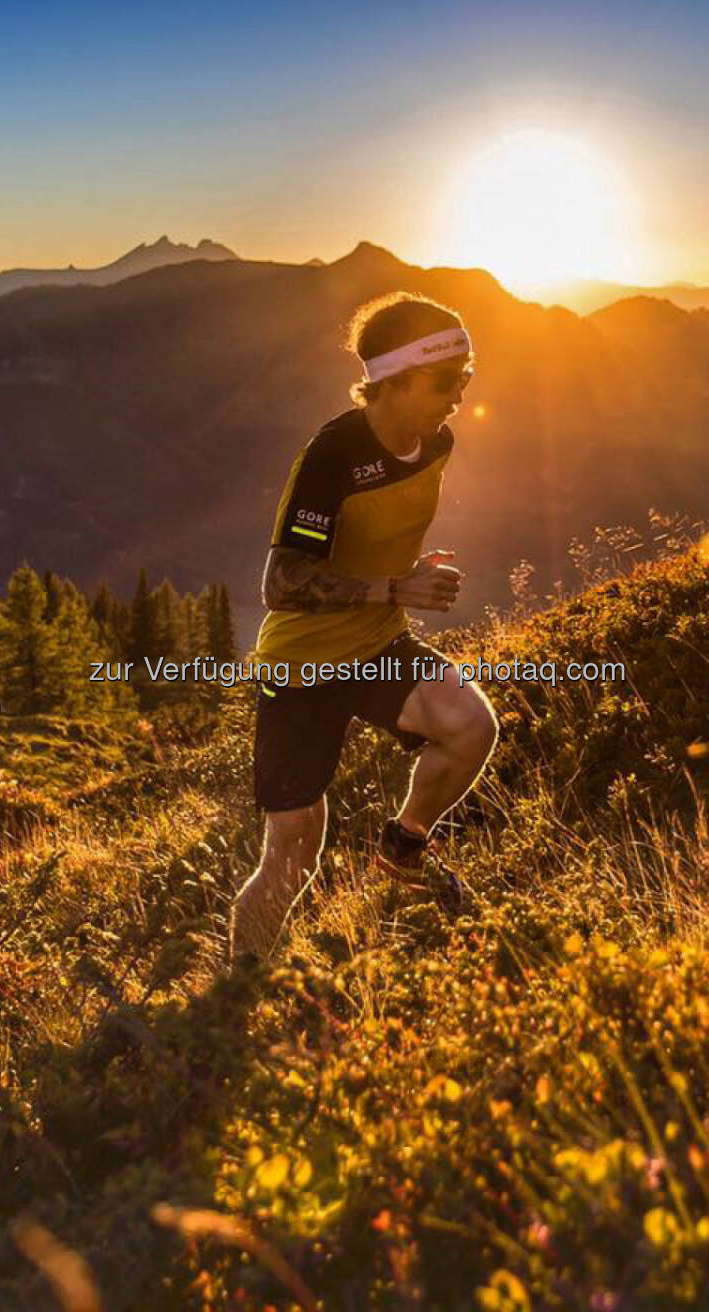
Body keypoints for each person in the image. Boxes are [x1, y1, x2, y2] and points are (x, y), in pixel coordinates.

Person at [229, 292, 499, 964]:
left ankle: (403, 847)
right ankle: (231, 1002)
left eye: (465, 380)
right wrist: (392, 586)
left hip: (377, 644)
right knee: (293, 856)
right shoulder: (333, 456)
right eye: (446, 382)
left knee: (471, 728)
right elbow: (281, 583)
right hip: (301, 670)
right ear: (395, 380)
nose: (458, 398)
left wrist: (404, 572)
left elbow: (371, 542)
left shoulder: (436, 442)